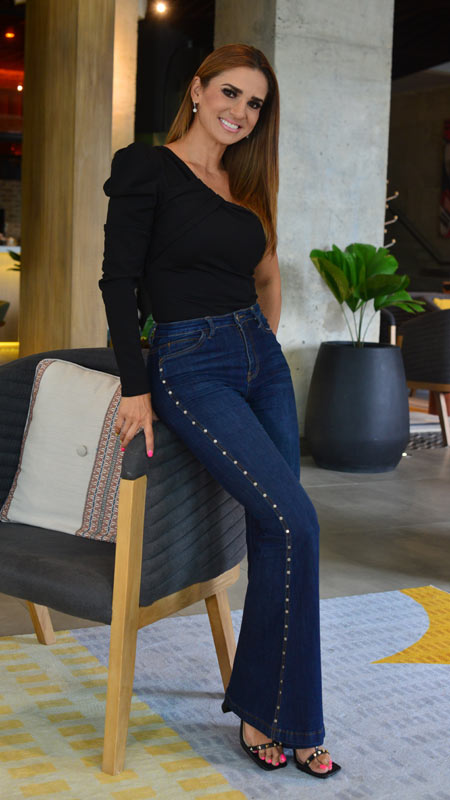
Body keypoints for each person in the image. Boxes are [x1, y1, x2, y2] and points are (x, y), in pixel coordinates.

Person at [99, 42, 341, 779]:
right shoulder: (147, 168)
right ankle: (286, 718)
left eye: (255, 103)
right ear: (199, 90)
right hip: (189, 363)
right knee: (297, 519)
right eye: (230, 93)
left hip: (258, 360)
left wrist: (261, 342)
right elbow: (117, 282)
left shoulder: (244, 186)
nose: (240, 111)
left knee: (279, 530)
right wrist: (135, 387)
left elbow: (266, 276)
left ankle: (276, 709)